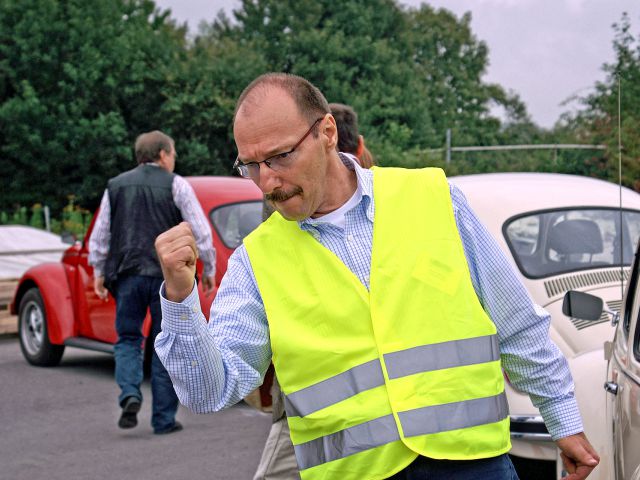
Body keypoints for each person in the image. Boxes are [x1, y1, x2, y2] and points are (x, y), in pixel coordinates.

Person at [154, 73, 599, 479]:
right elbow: (209, 392)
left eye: (280, 157)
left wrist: (563, 420)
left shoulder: (432, 198)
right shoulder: (256, 261)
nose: (266, 182)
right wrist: (179, 300)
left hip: (472, 465)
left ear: (327, 133)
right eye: (250, 165)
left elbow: (516, 322)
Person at [252, 101, 374, 480]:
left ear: (327, 136)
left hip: (310, 392)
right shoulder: (384, 197)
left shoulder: (283, 199)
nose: (267, 178)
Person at [88, 130, 216, 434]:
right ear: (162, 155)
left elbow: (101, 234)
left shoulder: (115, 186)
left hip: (127, 275)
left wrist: (98, 271)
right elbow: (199, 231)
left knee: (128, 339)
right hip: (165, 279)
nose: (174, 159)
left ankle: (130, 393)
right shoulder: (177, 184)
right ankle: (163, 419)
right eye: (172, 153)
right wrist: (208, 267)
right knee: (165, 345)